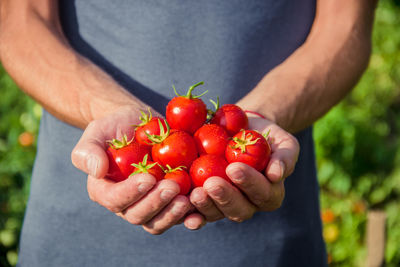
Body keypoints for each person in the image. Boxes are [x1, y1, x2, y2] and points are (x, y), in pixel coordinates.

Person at [0, 0, 377, 266]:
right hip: (77, 234)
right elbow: (20, 21)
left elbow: (347, 25)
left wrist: (263, 116)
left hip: (272, 240)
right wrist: (107, 110)